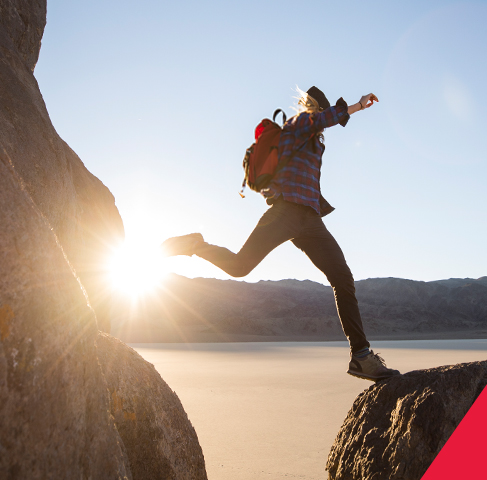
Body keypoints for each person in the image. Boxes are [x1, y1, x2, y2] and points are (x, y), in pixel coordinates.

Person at [161, 86, 399, 381]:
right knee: (239, 266)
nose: (323, 120)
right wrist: (357, 106)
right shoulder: (298, 125)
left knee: (342, 278)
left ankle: (361, 357)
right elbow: (321, 120)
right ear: (313, 109)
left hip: (310, 220)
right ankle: (196, 244)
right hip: (284, 212)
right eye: (320, 112)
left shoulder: (315, 144)